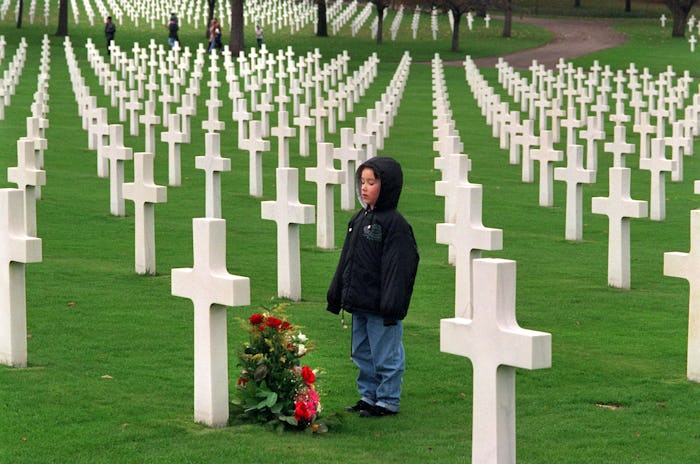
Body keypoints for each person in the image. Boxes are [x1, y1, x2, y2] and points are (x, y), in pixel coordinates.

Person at [326, 157, 419, 418]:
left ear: (387, 186)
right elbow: (347, 260)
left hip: (381, 305)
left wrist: (392, 304)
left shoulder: (394, 224)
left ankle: (388, 399)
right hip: (359, 302)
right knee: (362, 352)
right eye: (362, 182)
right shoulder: (358, 219)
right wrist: (337, 293)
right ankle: (369, 396)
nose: (365, 187)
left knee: (386, 354)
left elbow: (399, 267)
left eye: (372, 182)